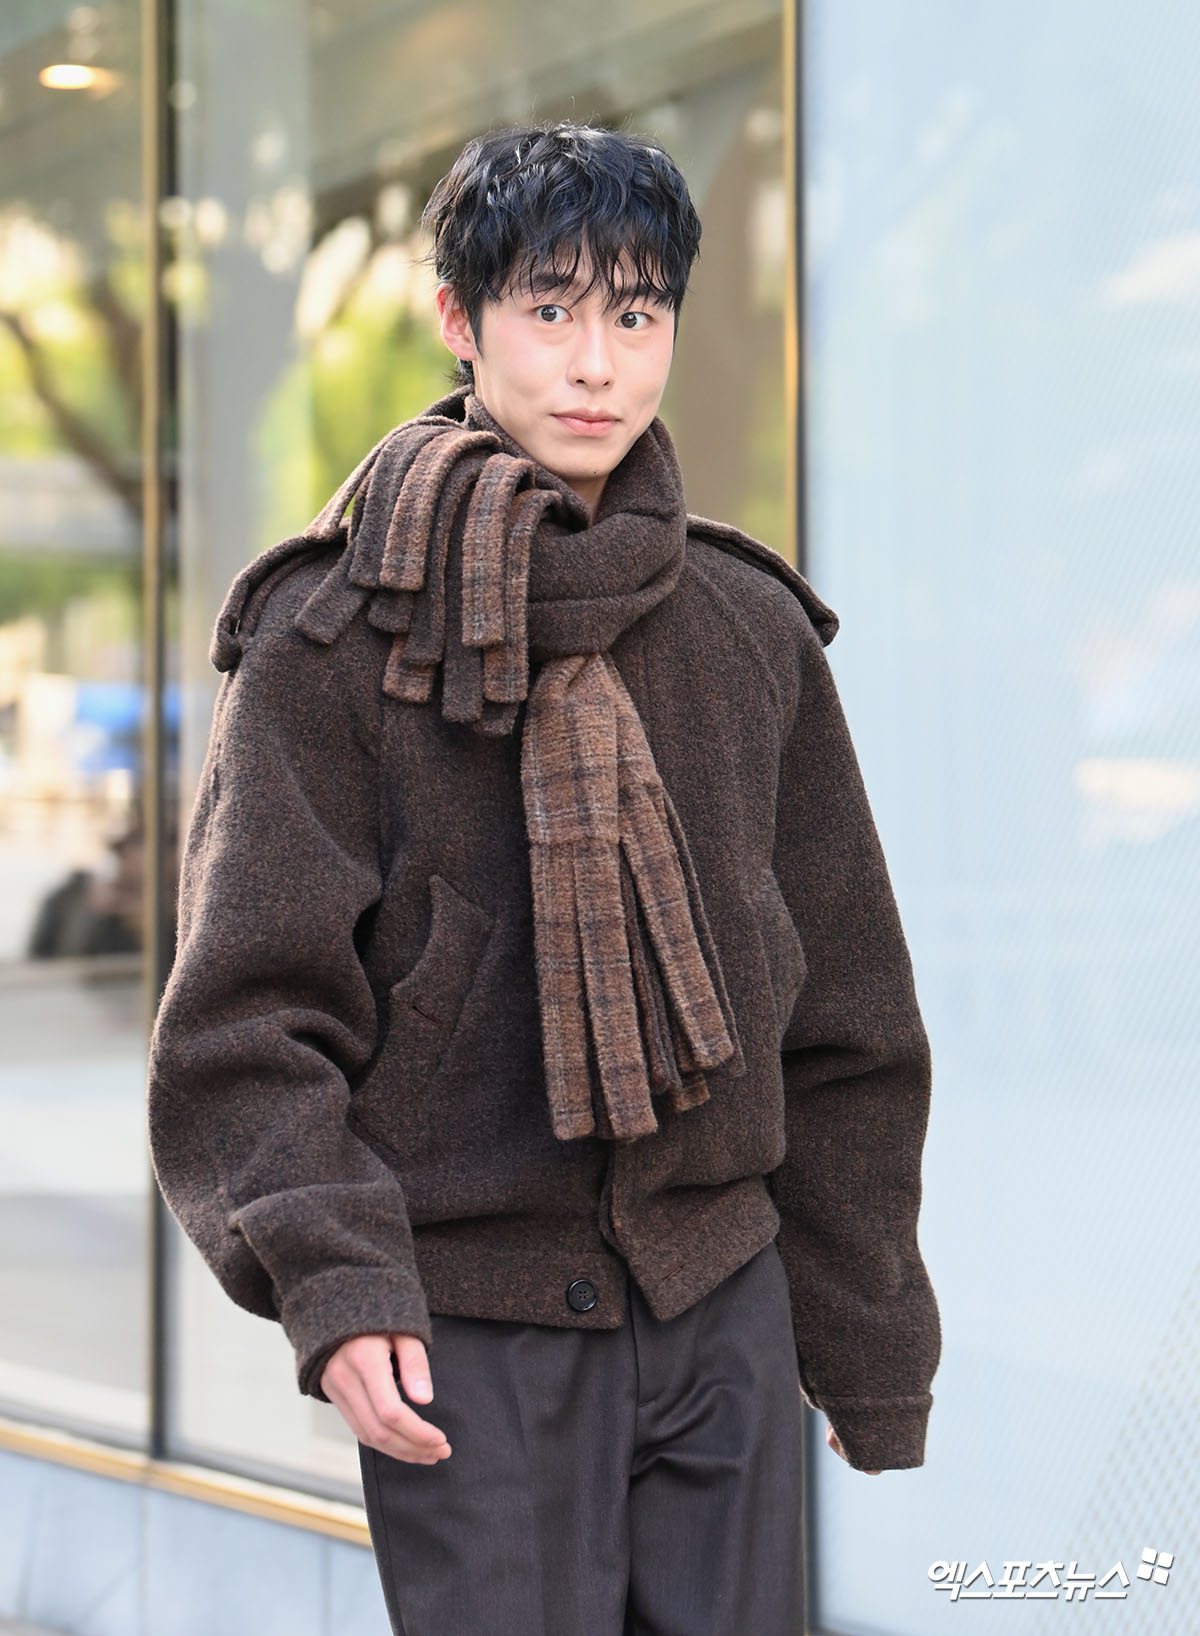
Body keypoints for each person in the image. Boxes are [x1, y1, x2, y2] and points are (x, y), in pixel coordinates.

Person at [147, 120, 940, 1636]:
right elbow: (245, 1030)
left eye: (636, 315)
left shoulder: (749, 630)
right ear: (461, 320)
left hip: (722, 1298)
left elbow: (847, 1019)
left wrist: (865, 1326)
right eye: (551, 308)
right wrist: (336, 1285)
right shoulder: (330, 641)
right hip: (472, 1325)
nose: (596, 364)